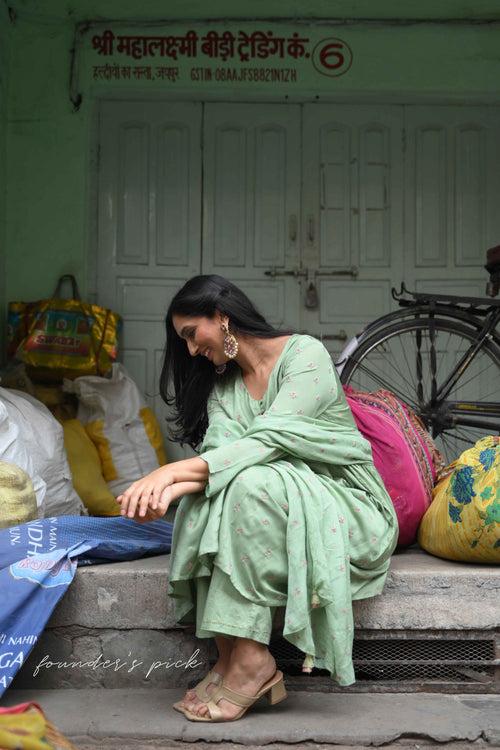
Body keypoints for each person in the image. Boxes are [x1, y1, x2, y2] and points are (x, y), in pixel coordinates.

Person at [117, 274, 399, 723]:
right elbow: (220, 460)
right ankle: (232, 654)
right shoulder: (225, 389)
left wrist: (168, 471)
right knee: (209, 496)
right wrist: (166, 494)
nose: (190, 350)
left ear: (222, 316)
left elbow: (264, 444)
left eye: (192, 334)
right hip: (273, 499)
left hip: (348, 505)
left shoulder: (304, 355)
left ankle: (253, 662)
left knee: (247, 485)